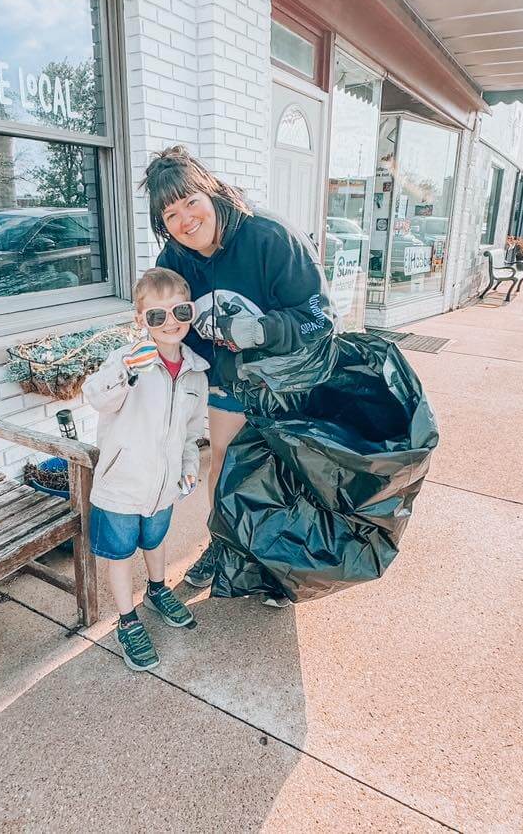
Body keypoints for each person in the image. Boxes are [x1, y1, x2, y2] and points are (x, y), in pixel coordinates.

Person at [139, 145, 334, 606]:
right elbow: (174, 322)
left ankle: (281, 567)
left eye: (191, 201)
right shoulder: (175, 258)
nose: (186, 220)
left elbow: (319, 317)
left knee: (282, 468)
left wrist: (264, 329)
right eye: (170, 214)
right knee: (224, 460)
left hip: (287, 377)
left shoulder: (269, 236)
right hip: (228, 378)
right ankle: (224, 544)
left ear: (211, 191)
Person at [82, 267, 208, 671]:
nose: (170, 322)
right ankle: (127, 619)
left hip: (164, 486)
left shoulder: (195, 370)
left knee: (155, 541)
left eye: (180, 312)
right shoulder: (125, 360)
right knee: (119, 554)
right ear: (141, 320)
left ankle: (157, 589)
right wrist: (127, 371)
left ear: (190, 313)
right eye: (157, 316)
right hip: (121, 484)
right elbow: (96, 397)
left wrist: (188, 466)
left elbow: (191, 431)